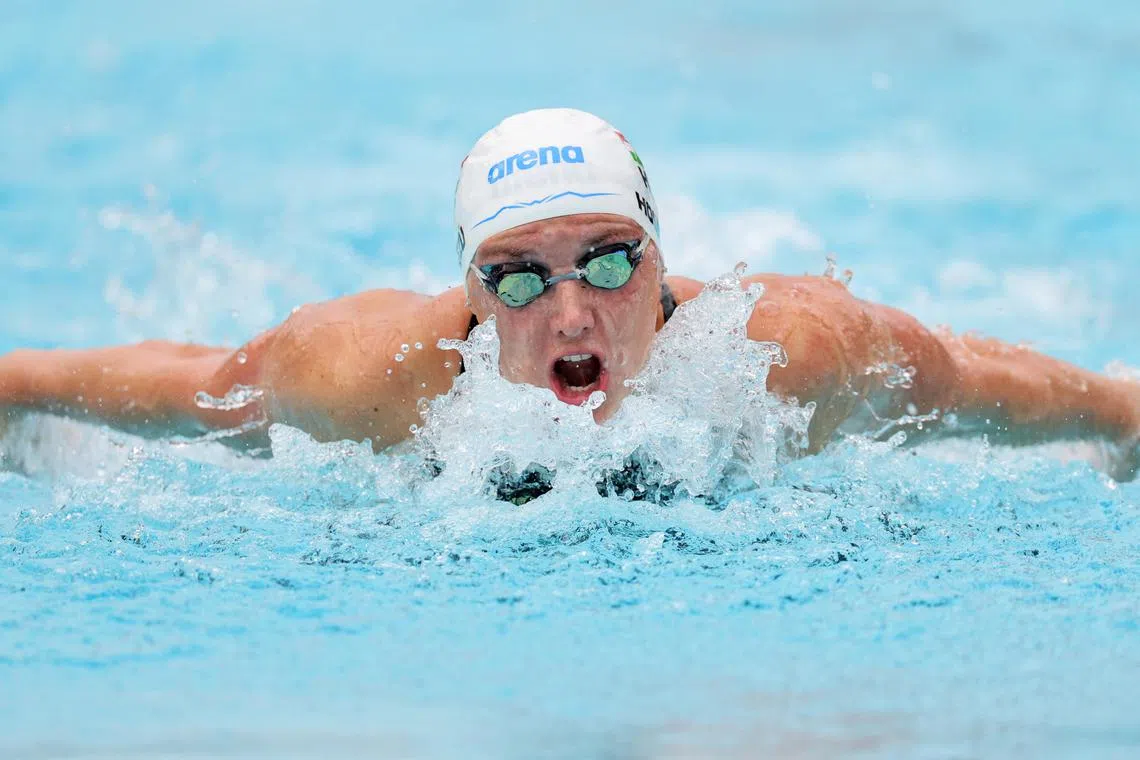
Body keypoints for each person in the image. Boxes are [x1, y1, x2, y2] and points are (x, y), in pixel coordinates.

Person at [1, 108, 1137, 480]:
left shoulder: (786, 353)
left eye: (605, 259)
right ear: (475, 295)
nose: (572, 312)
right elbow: (201, 387)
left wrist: (1122, 415)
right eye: (520, 277)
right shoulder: (371, 376)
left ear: (657, 264)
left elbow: (966, 377)